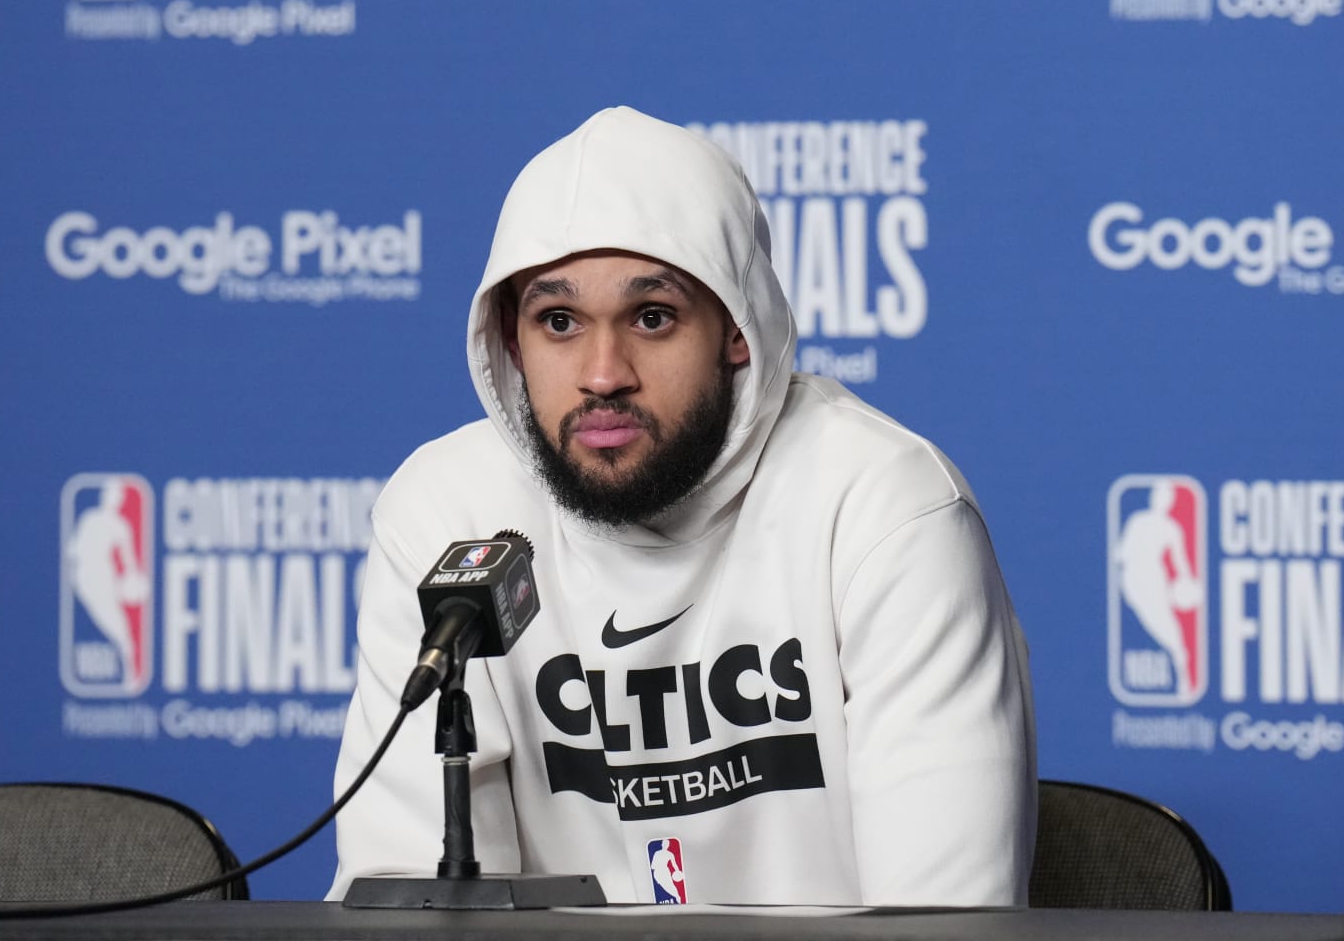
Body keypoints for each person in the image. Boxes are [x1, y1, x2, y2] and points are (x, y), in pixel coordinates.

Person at [326, 106, 1035, 906]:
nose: (603, 374)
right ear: (512, 340)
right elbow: (414, 910)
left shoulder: (884, 507)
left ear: (738, 327)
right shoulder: (446, 514)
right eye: (559, 322)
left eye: (652, 318)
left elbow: (942, 926)